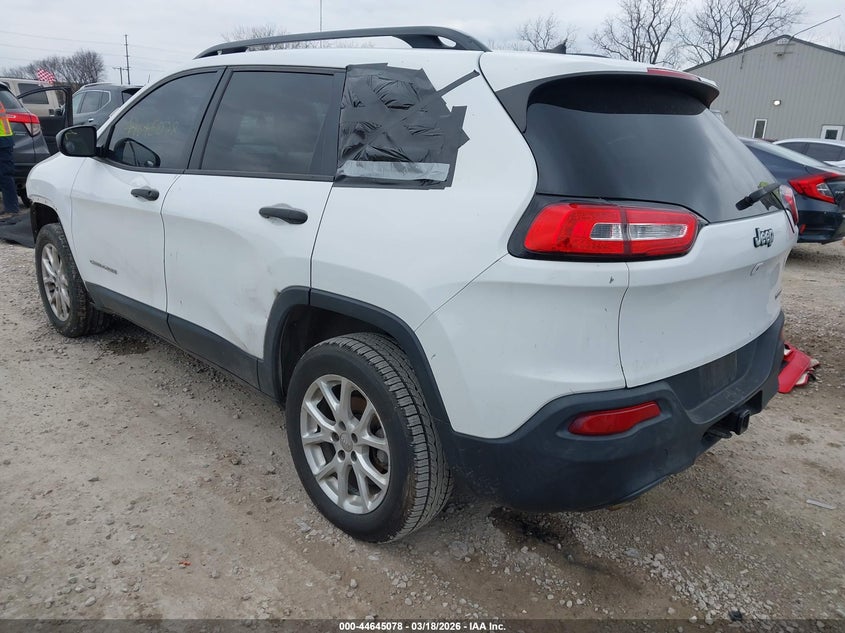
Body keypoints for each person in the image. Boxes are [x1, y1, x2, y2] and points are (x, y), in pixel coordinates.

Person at [0, 99, 20, 220]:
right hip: (4, 140)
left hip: (2, 141)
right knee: (4, 176)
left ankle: (12, 209)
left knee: (5, 175)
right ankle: (10, 207)